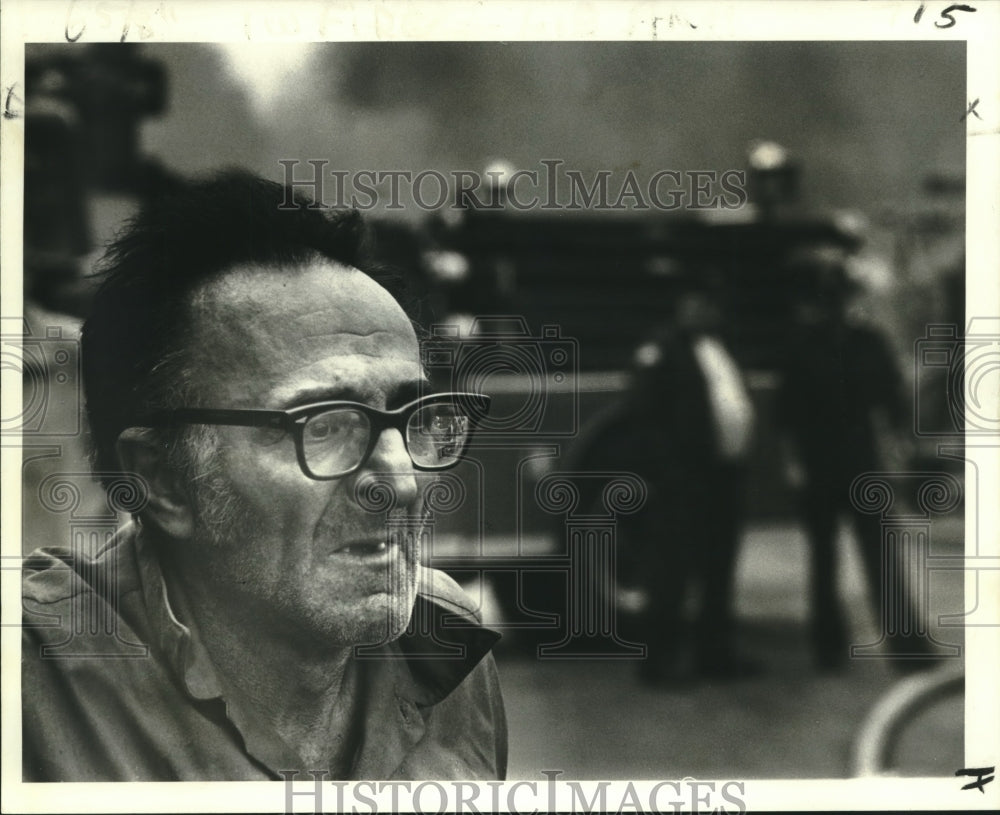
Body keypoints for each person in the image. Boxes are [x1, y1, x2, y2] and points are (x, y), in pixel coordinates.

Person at [21, 170, 507, 781]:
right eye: (325, 425)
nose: (400, 480)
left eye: (411, 417)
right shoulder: (33, 683)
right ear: (162, 479)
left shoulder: (446, 645)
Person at [567, 274, 757, 683]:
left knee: (719, 569)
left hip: (722, 476)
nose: (700, 311)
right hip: (682, 480)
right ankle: (658, 663)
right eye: (693, 303)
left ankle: (715, 654)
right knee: (672, 572)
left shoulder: (721, 348)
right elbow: (641, 417)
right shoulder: (661, 350)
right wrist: (659, 473)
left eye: (707, 304)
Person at [777, 243, 930, 671]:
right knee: (829, 562)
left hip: (855, 464)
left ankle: (900, 651)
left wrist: (902, 448)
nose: (833, 306)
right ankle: (833, 648)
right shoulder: (815, 344)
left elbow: (894, 403)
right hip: (833, 465)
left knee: (873, 559)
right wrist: (794, 467)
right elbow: (787, 414)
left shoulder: (858, 342)